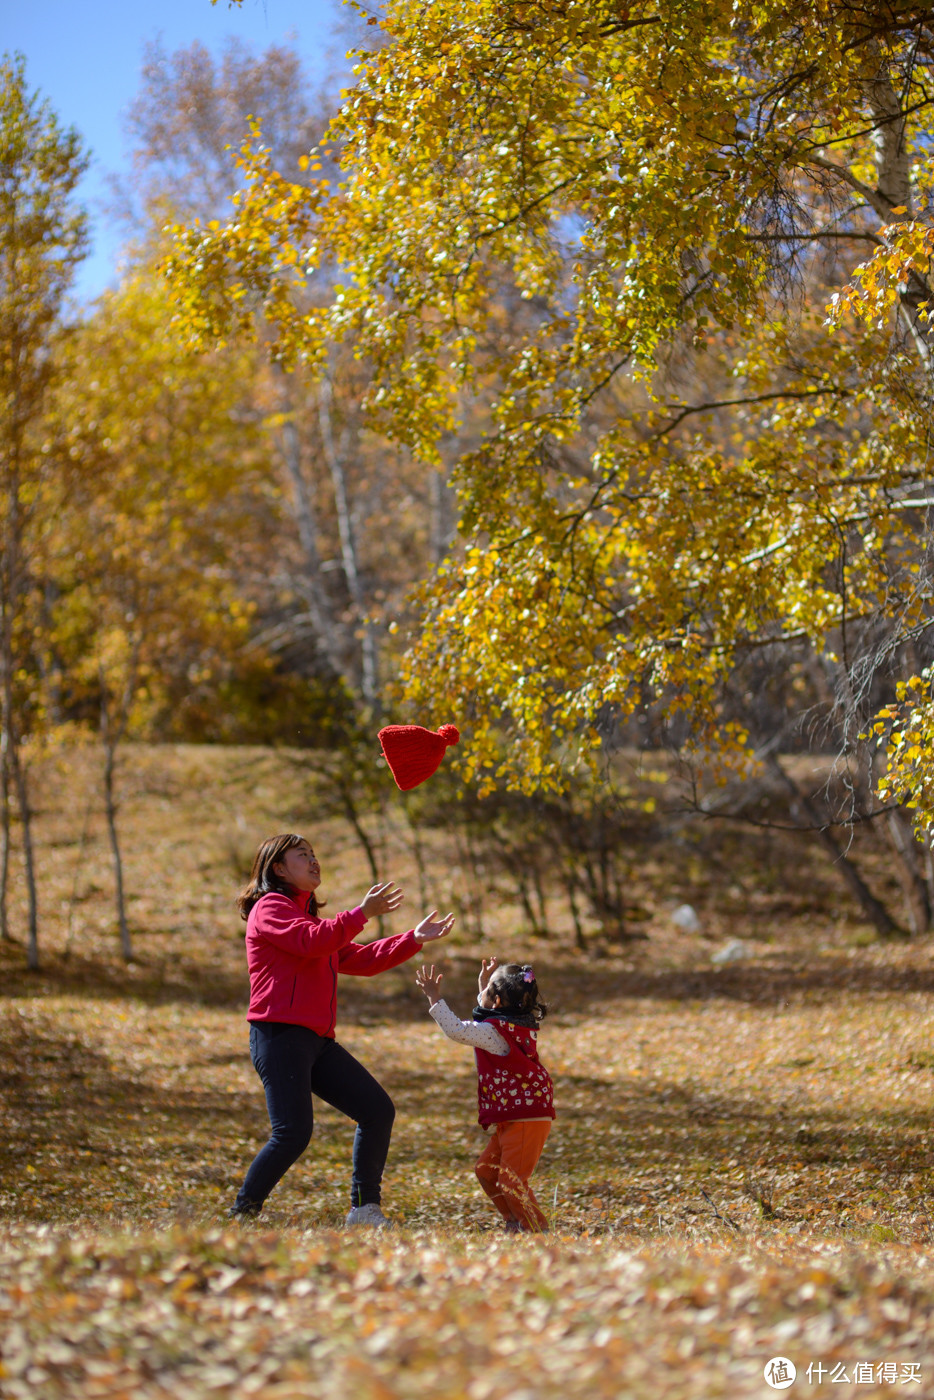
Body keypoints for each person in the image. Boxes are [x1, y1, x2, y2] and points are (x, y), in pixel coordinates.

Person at [230, 832, 453, 1227]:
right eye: (303, 855)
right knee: (292, 1133)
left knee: (376, 1110)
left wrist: (412, 939)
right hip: (279, 1036)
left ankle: (365, 1209)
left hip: (316, 1041)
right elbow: (311, 942)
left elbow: (360, 959)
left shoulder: (313, 921)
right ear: (278, 868)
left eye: (315, 854)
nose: (314, 861)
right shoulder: (271, 908)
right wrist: (361, 913)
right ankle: (240, 1215)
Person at [416, 956, 555, 1232]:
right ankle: (514, 1223)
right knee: (487, 1172)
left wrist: (434, 997)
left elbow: (457, 1030)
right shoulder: (516, 1021)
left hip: (526, 1115)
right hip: (516, 1112)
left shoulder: (494, 1032)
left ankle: (537, 1232)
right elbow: (485, 1009)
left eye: (488, 989)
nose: (483, 994)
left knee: (512, 1181)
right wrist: (485, 982)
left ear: (498, 1002)